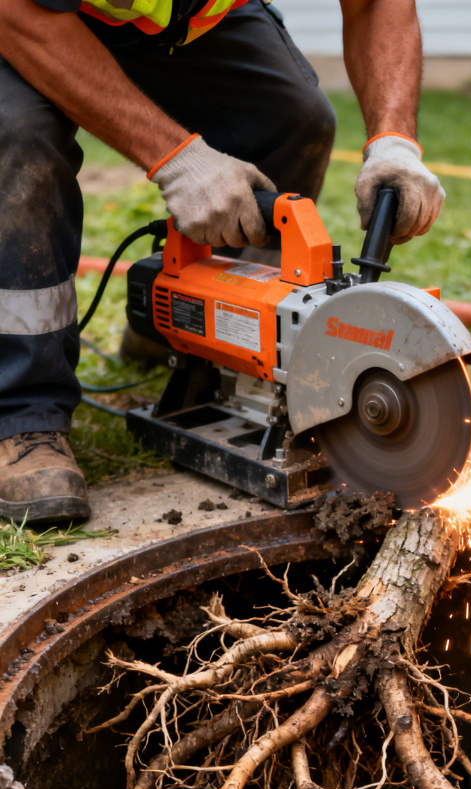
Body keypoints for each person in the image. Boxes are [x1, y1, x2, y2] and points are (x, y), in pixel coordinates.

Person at [0, 0, 445, 523]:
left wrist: (393, 139)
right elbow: (19, 12)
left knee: (290, 118)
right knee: (18, 137)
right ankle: (21, 415)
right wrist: (176, 158)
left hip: (186, 20)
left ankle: (216, 347)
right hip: (28, 18)